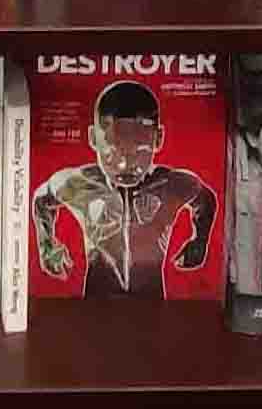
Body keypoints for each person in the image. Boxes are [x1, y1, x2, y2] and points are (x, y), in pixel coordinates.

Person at [31, 79, 218, 297]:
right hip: (96, 309)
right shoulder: (79, 183)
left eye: (139, 152)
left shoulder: (172, 184)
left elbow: (206, 199)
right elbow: (42, 198)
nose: (124, 165)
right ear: (93, 138)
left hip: (153, 308)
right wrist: (46, 246)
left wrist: (200, 240)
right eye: (112, 153)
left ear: (158, 138)